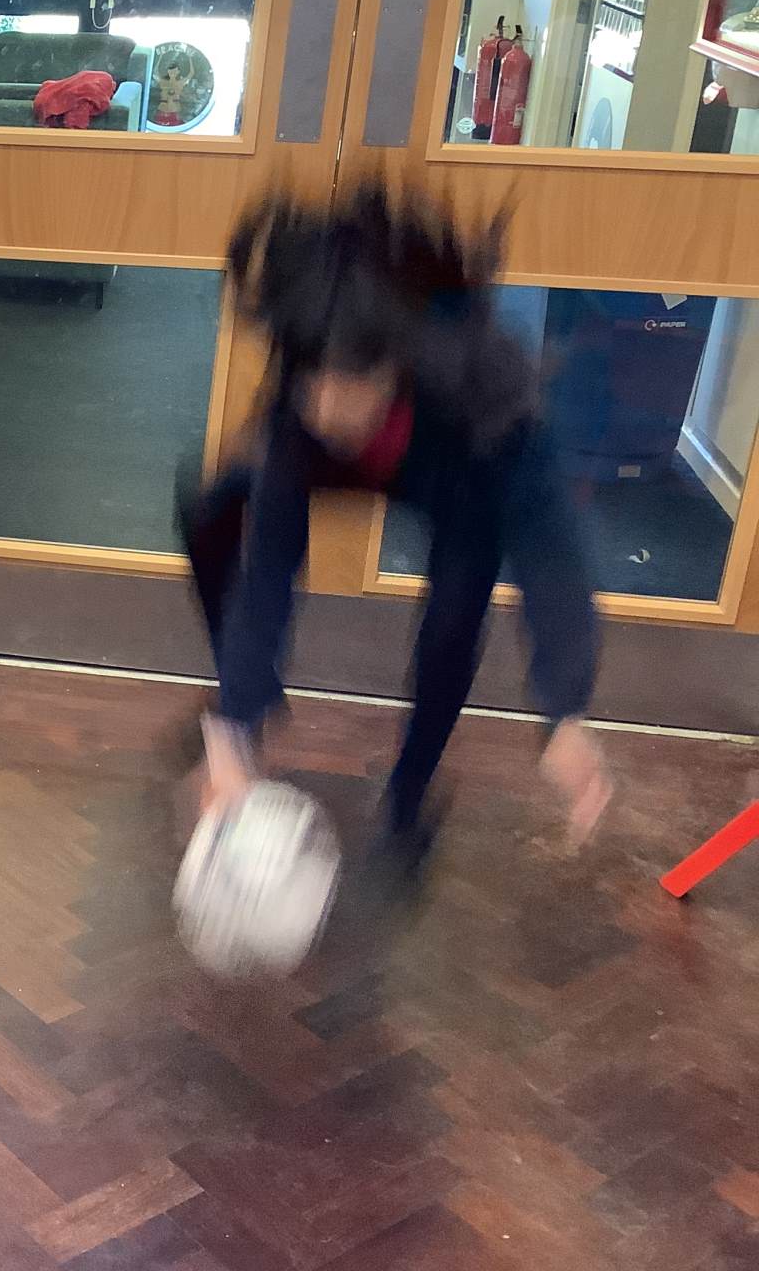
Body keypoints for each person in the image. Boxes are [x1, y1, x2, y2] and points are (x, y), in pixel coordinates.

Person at [180, 180, 613, 867]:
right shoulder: (306, 401)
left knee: (453, 622)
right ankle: (249, 710)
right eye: (312, 380)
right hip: (347, 460)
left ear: (395, 363)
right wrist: (233, 725)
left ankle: (409, 794)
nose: (327, 406)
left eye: (348, 382)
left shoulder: (487, 400)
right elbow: (270, 569)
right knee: (211, 505)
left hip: (455, 474)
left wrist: (565, 710)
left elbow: (550, 552)